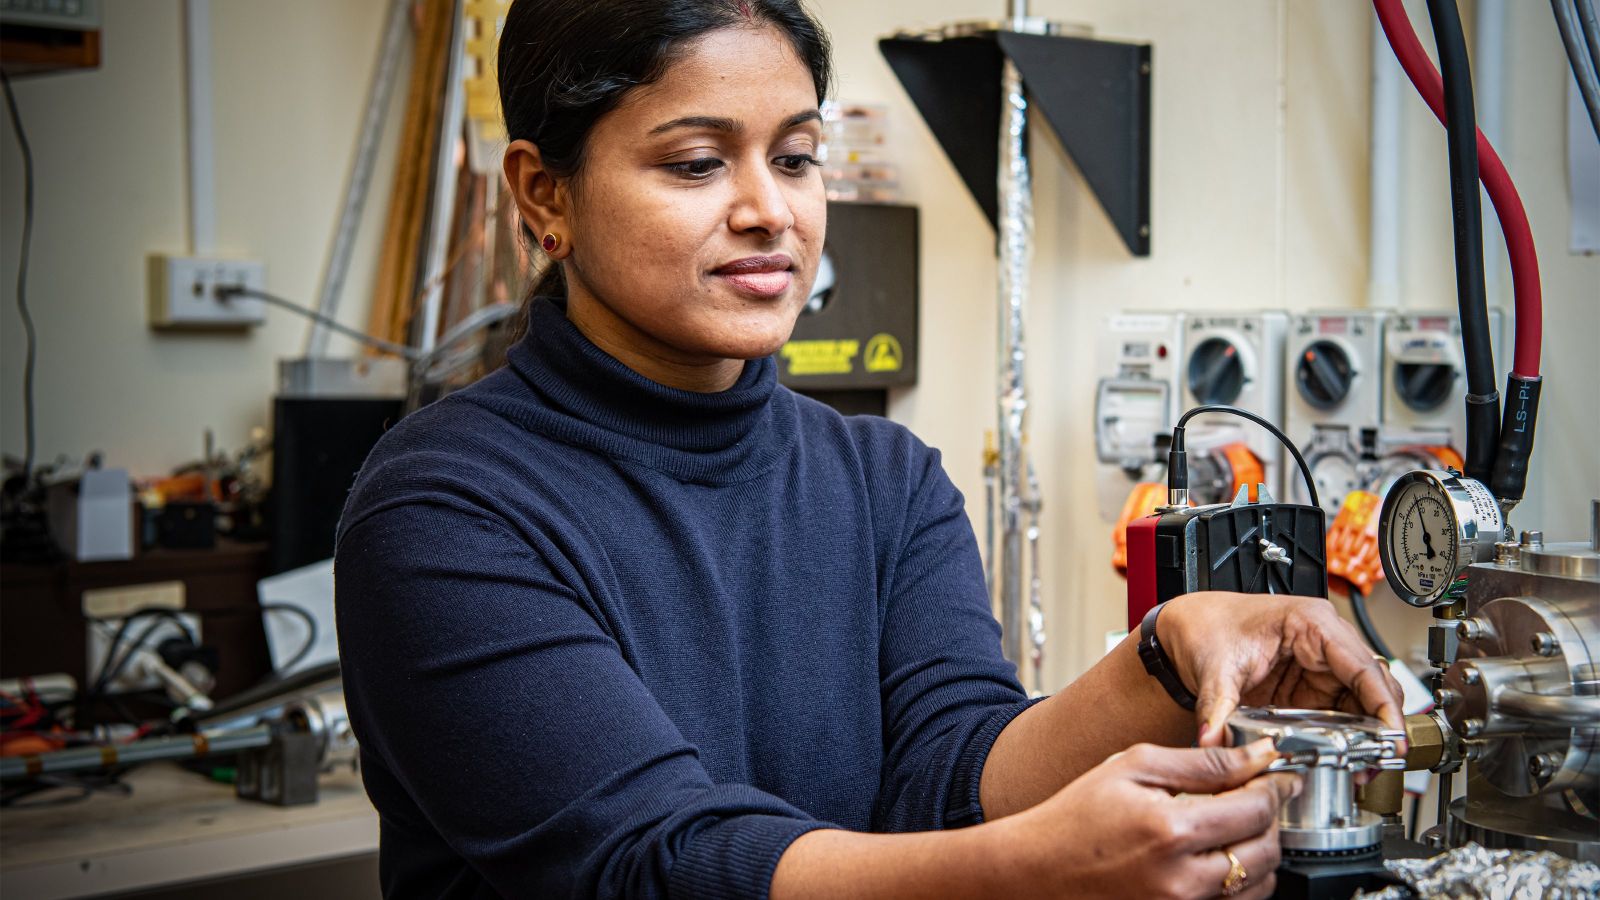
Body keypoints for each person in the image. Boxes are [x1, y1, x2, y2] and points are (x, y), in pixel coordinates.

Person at [333, 1, 1407, 897]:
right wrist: (1029, 873)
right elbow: (650, 861)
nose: (770, 211)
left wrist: (1167, 655)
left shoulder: (885, 480)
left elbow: (951, 770)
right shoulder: (445, 507)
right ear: (543, 194)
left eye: (796, 158)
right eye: (698, 163)